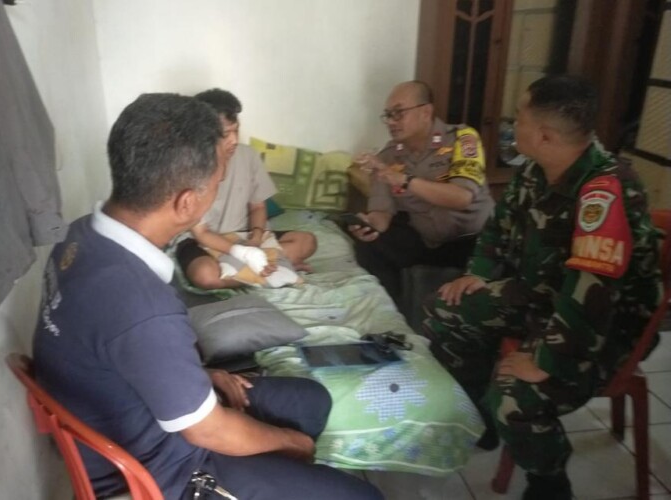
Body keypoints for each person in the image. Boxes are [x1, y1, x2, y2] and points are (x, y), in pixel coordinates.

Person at [32, 93, 382, 500]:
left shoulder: (77, 235)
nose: (219, 189)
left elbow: (123, 350)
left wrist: (198, 378)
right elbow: (208, 430)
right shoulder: (143, 306)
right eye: (217, 183)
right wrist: (291, 443)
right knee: (364, 496)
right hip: (166, 471)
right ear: (186, 202)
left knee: (311, 402)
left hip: (135, 408)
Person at [422, 75, 661, 499]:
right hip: (544, 296)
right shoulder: (536, 170)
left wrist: (546, 360)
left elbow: (594, 296)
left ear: (546, 136)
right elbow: (497, 228)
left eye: (520, 118)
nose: (512, 124)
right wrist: (478, 273)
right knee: (446, 309)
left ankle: (548, 483)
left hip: (601, 329)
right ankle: (479, 418)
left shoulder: (605, 191)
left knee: (516, 395)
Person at [348, 80, 495, 304]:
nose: (391, 122)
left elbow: (462, 198)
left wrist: (405, 180)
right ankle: (391, 311)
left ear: (425, 112)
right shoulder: (388, 156)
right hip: (428, 240)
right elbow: (382, 213)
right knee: (371, 243)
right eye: (388, 115)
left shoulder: (462, 138)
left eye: (398, 113)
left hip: (472, 242)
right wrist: (369, 225)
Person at [175, 88, 317, 290]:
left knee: (307, 242)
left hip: (244, 236)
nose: (234, 140)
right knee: (205, 276)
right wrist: (244, 254)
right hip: (200, 241)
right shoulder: (187, 165)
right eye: (226, 134)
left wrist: (256, 237)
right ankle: (274, 270)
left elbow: (257, 207)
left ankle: (247, 271)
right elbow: (201, 232)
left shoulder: (248, 156)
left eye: (236, 130)